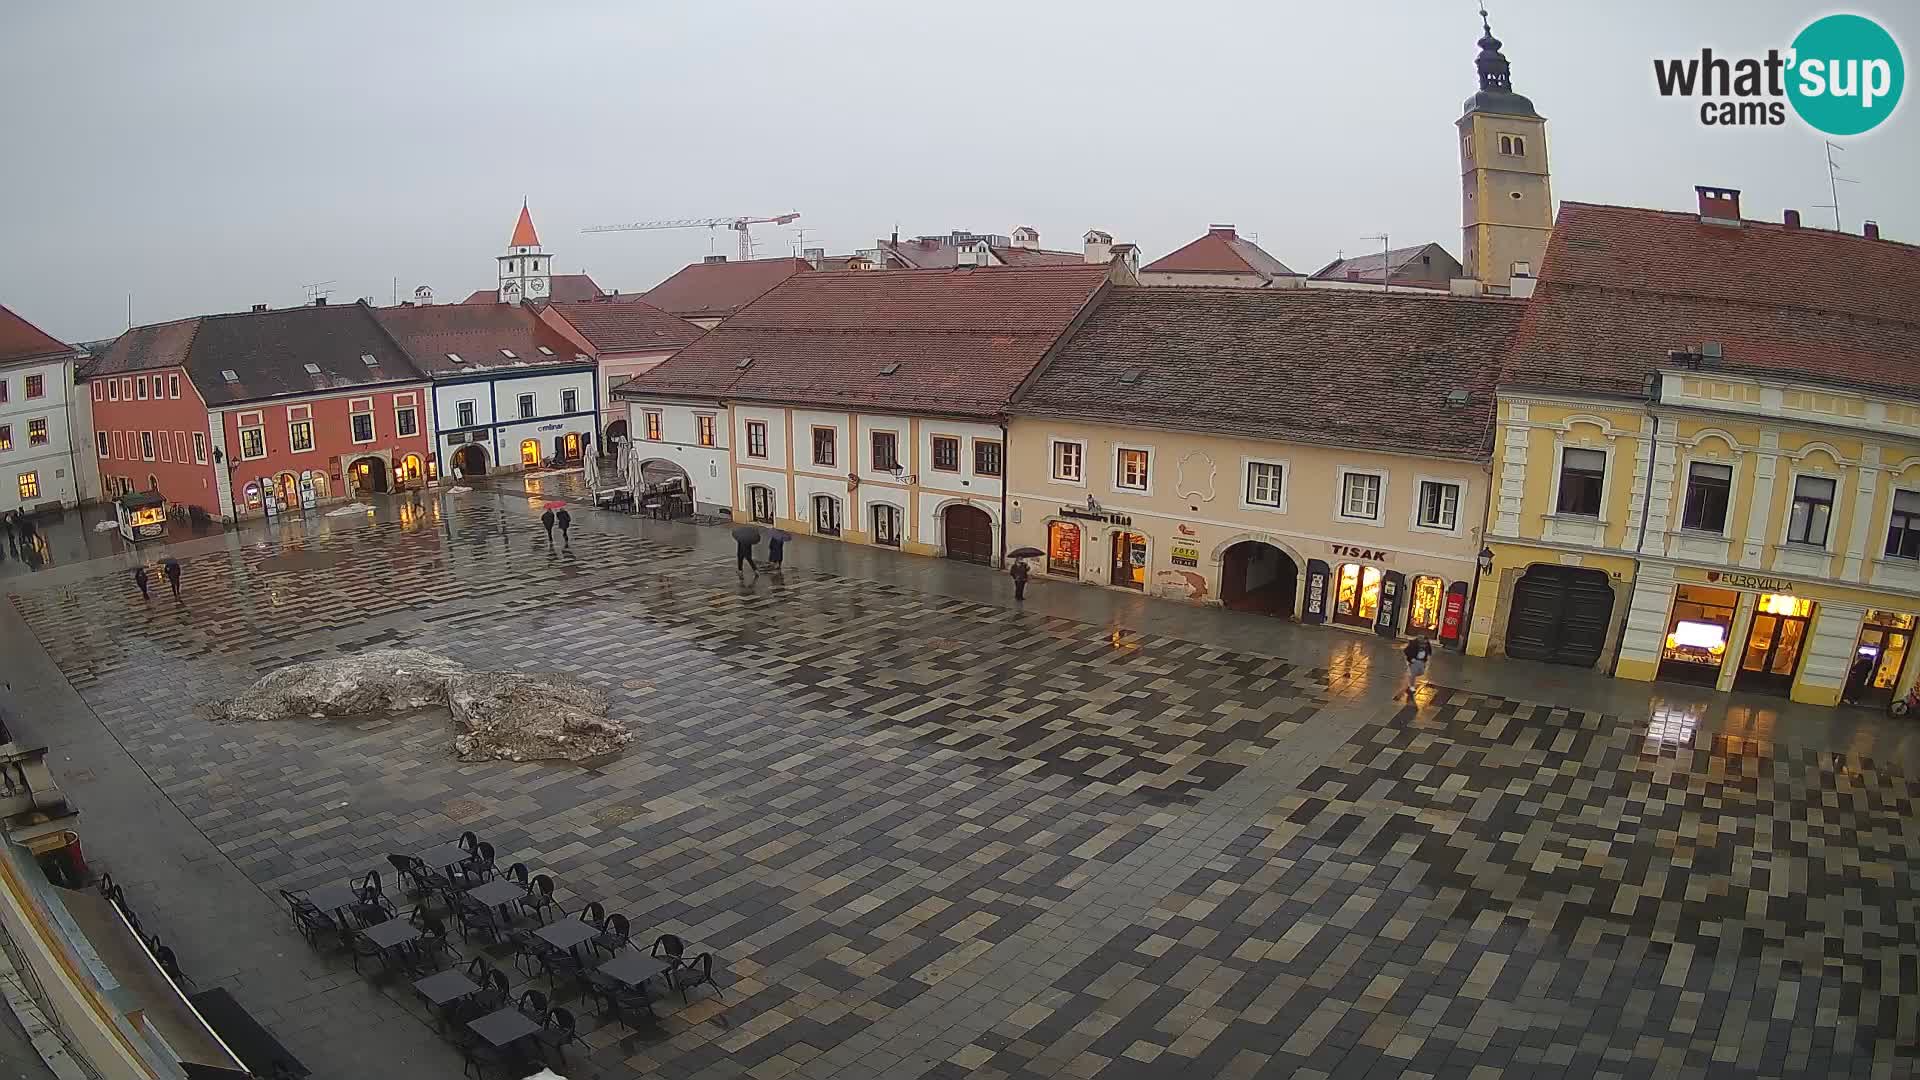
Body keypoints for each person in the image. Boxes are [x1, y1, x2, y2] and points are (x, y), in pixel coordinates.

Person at [1402, 635, 1433, 702]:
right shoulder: (1413, 644)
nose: (1424, 645)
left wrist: (1428, 655)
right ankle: (1411, 686)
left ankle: (1411, 675)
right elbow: (1406, 651)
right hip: (1414, 661)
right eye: (1423, 643)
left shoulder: (1427, 644)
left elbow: (1429, 650)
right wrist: (1411, 659)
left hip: (1422, 661)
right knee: (1413, 674)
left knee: (1421, 672)